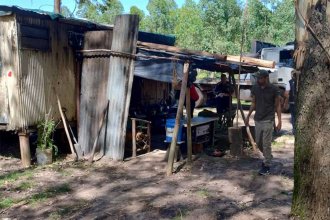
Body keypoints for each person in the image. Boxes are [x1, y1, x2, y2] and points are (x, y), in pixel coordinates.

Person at [245, 70, 282, 175]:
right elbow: (253, 103)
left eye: (260, 78)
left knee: (266, 144)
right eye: (257, 78)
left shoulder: (274, 89)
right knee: (258, 142)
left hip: (268, 119)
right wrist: (248, 116)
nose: (258, 80)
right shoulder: (255, 88)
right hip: (258, 119)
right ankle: (268, 156)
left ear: (266, 78)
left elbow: (278, 105)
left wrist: (279, 121)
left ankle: (266, 165)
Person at [284, 70, 297, 134]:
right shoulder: (302, 81)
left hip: (292, 102)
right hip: (299, 102)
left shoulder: (289, 82)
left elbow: (287, 94)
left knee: (293, 116)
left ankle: (294, 130)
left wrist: (285, 103)